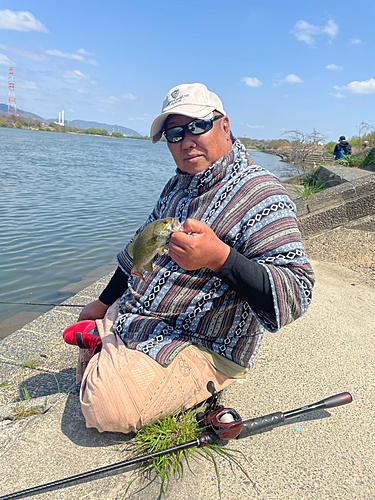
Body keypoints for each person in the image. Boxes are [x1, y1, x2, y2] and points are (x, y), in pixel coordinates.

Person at [63, 83, 315, 434]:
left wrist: (219, 257)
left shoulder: (263, 194)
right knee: (102, 367)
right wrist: (104, 301)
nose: (186, 140)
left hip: (201, 342)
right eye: (174, 133)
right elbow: (138, 248)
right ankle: (110, 333)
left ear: (224, 126)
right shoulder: (177, 185)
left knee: (105, 408)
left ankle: (106, 342)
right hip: (143, 313)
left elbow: (296, 291)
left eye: (197, 125)